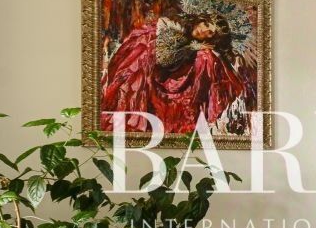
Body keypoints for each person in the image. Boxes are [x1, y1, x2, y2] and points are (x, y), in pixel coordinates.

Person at [101, 11, 246, 135]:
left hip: (163, 69)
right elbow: (163, 59)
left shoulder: (192, 43)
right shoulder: (175, 29)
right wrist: (192, 48)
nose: (203, 31)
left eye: (210, 33)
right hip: (145, 63)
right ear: (201, 20)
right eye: (206, 24)